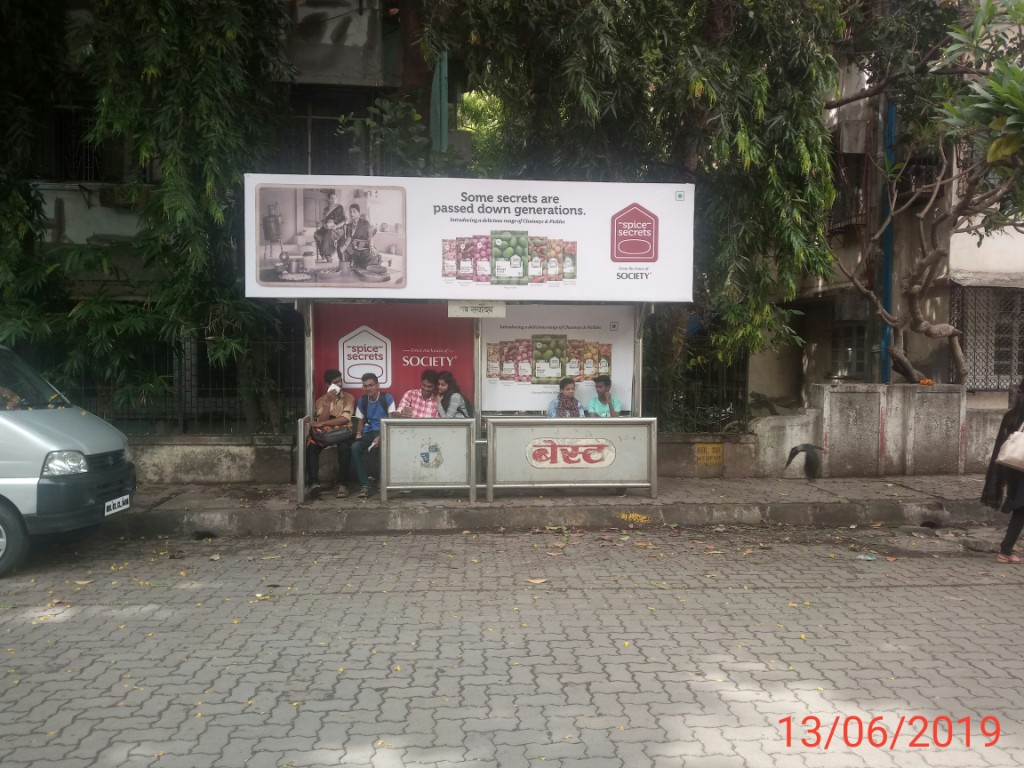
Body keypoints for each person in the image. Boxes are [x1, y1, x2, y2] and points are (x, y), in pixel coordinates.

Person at [983, 376, 1024, 563]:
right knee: (1021, 510)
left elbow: (1001, 445)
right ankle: (1006, 551)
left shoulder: (1012, 415)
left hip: (1013, 466)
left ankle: (1008, 548)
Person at [305, 369, 356, 499]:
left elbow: (344, 419)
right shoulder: (321, 400)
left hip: (342, 432)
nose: (339, 384)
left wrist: (323, 423)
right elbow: (321, 420)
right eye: (335, 382)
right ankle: (313, 483)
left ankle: (343, 484)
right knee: (311, 447)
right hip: (325, 434)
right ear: (328, 385)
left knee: (345, 448)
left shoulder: (349, 398)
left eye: (340, 381)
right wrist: (328, 403)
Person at [351, 373, 396, 498]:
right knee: (355, 447)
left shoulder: (387, 398)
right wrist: (359, 433)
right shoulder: (363, 400)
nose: (368, 388)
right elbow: (360, 422)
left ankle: (383, 482)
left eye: (371, 385)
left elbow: (391, 421)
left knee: (383, 449)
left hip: (385, 431)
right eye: (365, 386)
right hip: (369, 432)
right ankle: (365, 485)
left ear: (377, 385)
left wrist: (381, 437)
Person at [340, 203, 378, 270]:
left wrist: (372, 247)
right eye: (350, 212)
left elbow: (370, 237)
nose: (352, 214)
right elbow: (349, 238)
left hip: (365, 247)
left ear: (359, 212)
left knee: (370, 257)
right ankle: (354, 262)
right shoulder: (349, 225)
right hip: (355, 249)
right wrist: (344, 246)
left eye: (354, 211)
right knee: (343, 246)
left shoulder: (365, 223)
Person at [313, 191, 346, 263]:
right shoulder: (326, 209)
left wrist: (336, 226)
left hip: (338, 229)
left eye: (335, 198)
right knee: (317, 234)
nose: (333, 200)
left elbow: (344, 221)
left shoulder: (340, 207)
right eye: (331, 198)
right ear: (328, 199)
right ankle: (323, 253)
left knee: (329, 233)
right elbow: (323, 221)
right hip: (327, 228)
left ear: (336, 199)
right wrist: (325, 225)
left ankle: (329, 255)